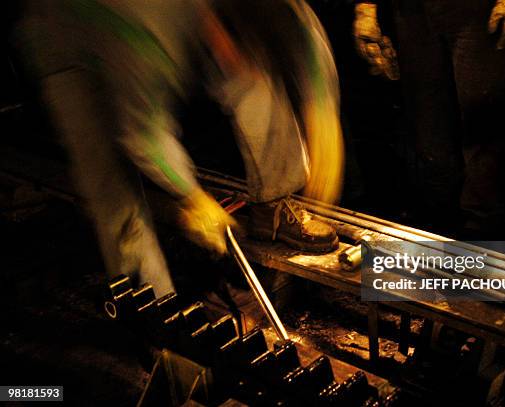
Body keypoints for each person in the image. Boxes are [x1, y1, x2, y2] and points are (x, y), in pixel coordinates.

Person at [19, 0, 344, 297]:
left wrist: (321, 108)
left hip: (170, 31)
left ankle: (272, 206)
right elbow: (143, 134)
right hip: (71, 42)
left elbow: (300, 30)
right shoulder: (152, 32)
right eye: (233, 49)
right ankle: (157, 316)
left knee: (251, 79)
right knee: (113, 190)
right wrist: (190, 195)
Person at [353, 0, 505, 236]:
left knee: (482, 127)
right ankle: (442, 229)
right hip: (413, 11)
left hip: (478, 11)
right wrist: (366, 8)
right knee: (429, 134)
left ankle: (482, 234)